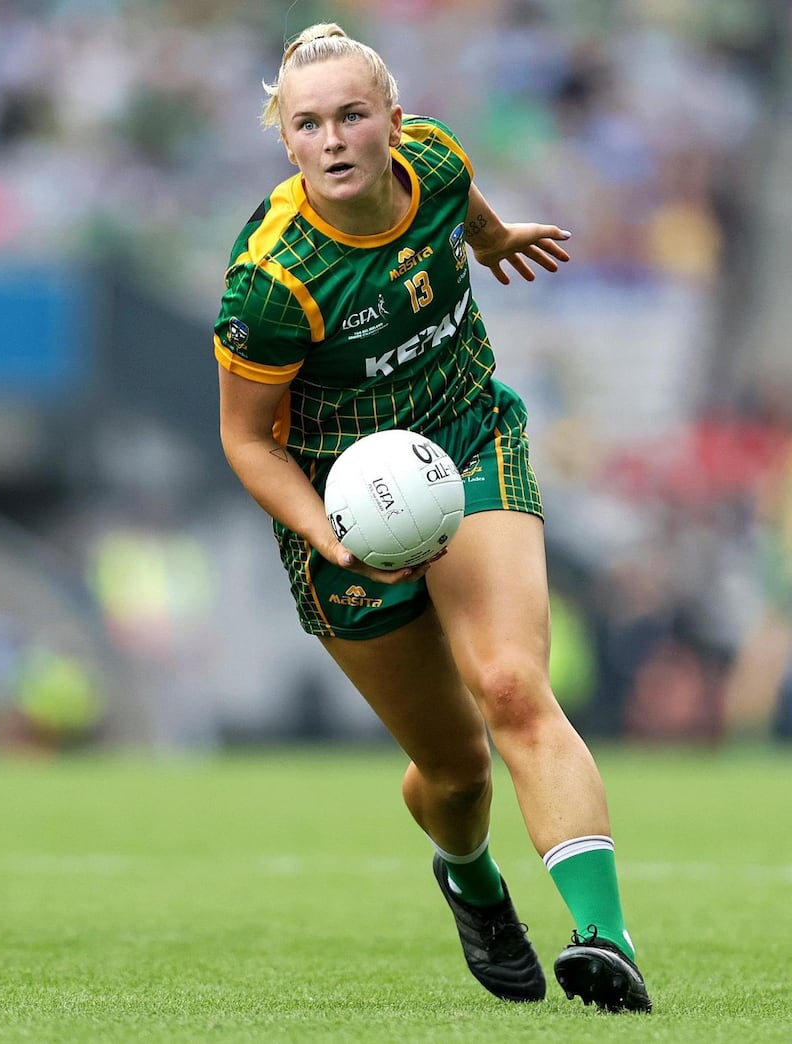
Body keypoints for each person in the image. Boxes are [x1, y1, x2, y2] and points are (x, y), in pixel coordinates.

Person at [214, 22, 651, 1014]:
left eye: (352, 116)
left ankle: (603, 936)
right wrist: (326, 535)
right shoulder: (272, 283)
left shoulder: (438, 159)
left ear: (392, 124)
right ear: (285, 140)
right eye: (308, 123)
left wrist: (492, 240)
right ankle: (471, 880)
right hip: (342, 517)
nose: (332, 139)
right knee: (453, 773)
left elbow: (454, 204)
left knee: (507, 683)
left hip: (466, 439)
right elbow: (246, 440)